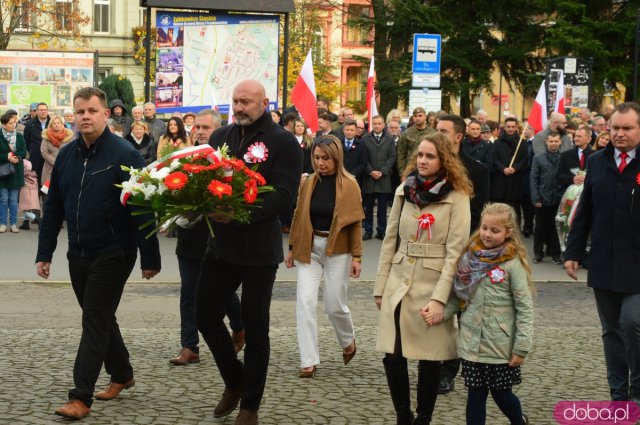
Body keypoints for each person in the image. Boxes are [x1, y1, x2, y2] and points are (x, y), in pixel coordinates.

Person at [35, 87, 161, 420]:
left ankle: (80, 397)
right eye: (80, 112)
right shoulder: (66, 154)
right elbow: (55, 208)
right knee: (100, 315)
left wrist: (150, 257)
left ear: (106, 114)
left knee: (93, 318)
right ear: (73, 116)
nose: (85, 116)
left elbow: (142, 206)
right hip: (78, 251)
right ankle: (122, 373)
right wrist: (44, 252)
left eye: (92, 110)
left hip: (114, 249)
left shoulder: (125, 153)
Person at [195, 80, 302, 425]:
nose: (239, 107)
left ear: (264, 103)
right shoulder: (220, 137)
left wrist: (241, 216)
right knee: (204, 315)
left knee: (256, 331)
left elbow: (285, 196)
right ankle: (235, 380)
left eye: (246, 101)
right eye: (235, 100)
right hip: (221, 246)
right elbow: (205, 180)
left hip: (258, 251)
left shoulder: (284, 142)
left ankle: (250, 407)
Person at [374, 132, 472, 425]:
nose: (423, 161)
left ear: (444, 160)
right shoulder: (405, 189)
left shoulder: (458, 196)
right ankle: (403, 415)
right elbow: (390, 239)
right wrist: (380, 286)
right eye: (420, 155)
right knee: (393, 354)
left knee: (430, 357)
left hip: (433, 284)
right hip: (399, 280)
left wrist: (441, 299)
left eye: (430, 156)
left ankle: (423, 417)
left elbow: (456, 253)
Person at [429, 202, 534, 425]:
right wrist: (441, 313)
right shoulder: (470, 258)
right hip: (471, 343)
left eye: (495, 230)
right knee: (475, 395)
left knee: (502, 395)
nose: (487, 234)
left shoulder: (512, 264)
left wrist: (522, 346)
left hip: (500, 346)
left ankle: (519, 421)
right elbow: (459, 296)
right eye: (485, 228)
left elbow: (524, 308)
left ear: (508, 232)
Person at [564, 102, 640, 403]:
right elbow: (585, 211)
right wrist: (574, 251)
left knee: (632, 323)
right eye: (615, 128)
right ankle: (619, 395)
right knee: (611, 331)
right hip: (605, 260)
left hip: (637, 262)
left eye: (627, 128)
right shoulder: (597, 161)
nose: (619, 134)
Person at [171, 109, 245, 366]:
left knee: (222, 293)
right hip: (189, 237)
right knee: (188, 293)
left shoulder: (228, 163)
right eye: (196, 127)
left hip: (219, 238)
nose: (200, 131)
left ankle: (239, 325)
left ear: (219, 131)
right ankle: (190, 346)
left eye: (206, 127)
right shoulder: (181, 160)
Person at [285, 134, 363, 378]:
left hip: (338, 250)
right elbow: (298, 214)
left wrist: (357, 257)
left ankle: (347, 340)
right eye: (317, 157)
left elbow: (355, 223)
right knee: (305, 302)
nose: (320, 162)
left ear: (337, 157)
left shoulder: (350, 183)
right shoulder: (308, 182)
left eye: (326, 158)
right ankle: (308, 360)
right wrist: (291, 247)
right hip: (310, 247)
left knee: (334, 305)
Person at [529, 131, 563, 264]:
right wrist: (536, 198)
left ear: (560, 142)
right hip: (542, 198)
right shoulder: (538, 158)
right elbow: (533, 179)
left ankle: (556, 254)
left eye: (556, 141)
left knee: (556, 227)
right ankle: (538, 253)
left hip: (558, 198)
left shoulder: (563, 157)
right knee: (540, 227)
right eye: (551, 141)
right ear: (546, 142)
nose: (553, 144)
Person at [361, 115, 397, 240]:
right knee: (368, 208)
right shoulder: (365, 139)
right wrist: (370, 171)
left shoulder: (390, 139)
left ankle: (381, 231)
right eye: (375, 123)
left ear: (383, 125)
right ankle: (368, 230)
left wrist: (382, 171)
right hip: (369, 178)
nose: (377, 126)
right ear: (372, 124)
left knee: (382, 208)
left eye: (379, 123)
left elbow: (392, 157)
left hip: (384, 178)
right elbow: (363, 158)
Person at [491, 117, 528, 225]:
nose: (511, 129)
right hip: (501, 181)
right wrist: (503, 168)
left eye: (513, 127)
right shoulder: (497, 143)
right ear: (504, 127)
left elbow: (525, 160)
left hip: (516, 181)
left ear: (516, 127)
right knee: (500, 209)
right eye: (508, 127)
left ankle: (515, 230)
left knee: (515, 209)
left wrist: (515, 168)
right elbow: (494, 159)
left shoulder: (522, 143)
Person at [38, 115, 74, 222]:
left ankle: (61, 218)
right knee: (47, 195)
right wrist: (56, 162)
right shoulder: (46, 137)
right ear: (51, 125)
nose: (57, 125)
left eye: (59, 123)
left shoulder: (69, 137)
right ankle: (48, 217)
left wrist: (62, 162)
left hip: (65, 169)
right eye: (54, 123)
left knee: (62, 194)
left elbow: (72, 151)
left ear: (63, 125)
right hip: (49, 170)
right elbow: (44, 152)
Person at [0, 112, 27, 233]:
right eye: (10, 123)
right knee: (4, 199)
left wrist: (15, 157)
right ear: (4, 124)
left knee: (13, 199)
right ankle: (3, 223)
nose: (13, 125)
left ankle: (14, 224)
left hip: (16, 170)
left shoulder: (19, 136)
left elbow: (23, 152)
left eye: (14, 122)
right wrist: (7, 157)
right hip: (3, 172)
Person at [396, 107, 436, 176]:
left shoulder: (433, 133)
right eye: (415, 116)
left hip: (428, 168)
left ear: (425, 117)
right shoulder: (407, 133)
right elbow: (401, 155)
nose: (417, 118)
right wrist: (402, 173)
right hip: (410, 170)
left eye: (420, 116)